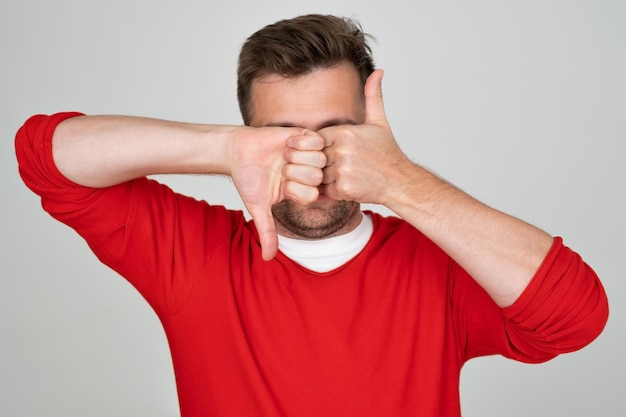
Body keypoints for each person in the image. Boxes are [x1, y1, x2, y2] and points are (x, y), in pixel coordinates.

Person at [15, 13, 608, 417]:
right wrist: (221, 151)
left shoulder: (437, 260)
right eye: (280, 136)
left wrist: (402, 182)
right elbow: (46, 155)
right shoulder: (193, 254)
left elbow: (575, 319)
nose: (312, 158)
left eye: (337, 132)